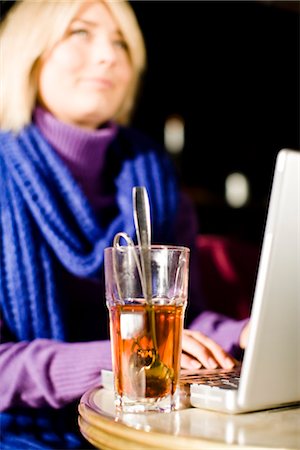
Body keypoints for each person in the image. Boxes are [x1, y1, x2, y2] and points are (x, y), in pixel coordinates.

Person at [0, 1, 249, 448]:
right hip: (22, 432)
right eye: (80, 33)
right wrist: (118, 359)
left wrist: (246, 335)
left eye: (121, 43)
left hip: (142, 425)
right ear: (28, 53)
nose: (108, 55)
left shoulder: (155, 175)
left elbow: (181, 324)